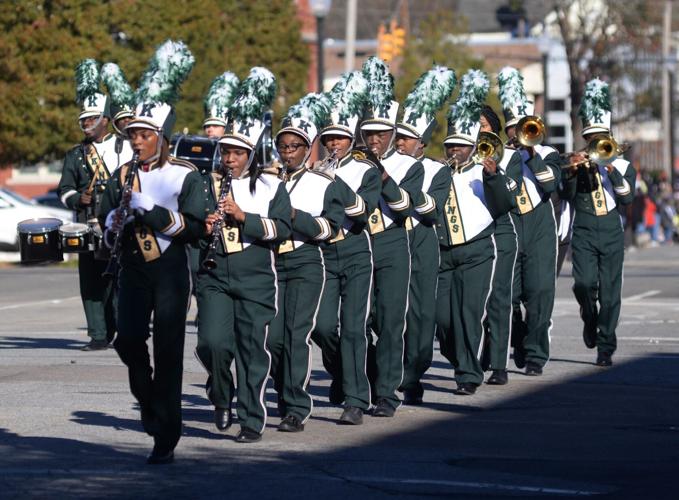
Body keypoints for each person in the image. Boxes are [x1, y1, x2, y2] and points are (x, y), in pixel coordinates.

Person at [99, 40, 203, 464]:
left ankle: (167, 434)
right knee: (127, 340)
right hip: (133, 266)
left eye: (145, 135)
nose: (137, 141)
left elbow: (194, 228)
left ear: (161, 137)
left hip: (171, 268)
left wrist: (153, 212)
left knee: (167, 349)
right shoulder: (121, 175)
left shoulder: (184, 175)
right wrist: (110, 224)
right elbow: (106, 222)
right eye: (133, 135)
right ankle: (147, 398)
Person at [194, 67, 292, 444]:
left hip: (255, 275)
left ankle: (252, 420)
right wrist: (200, 226)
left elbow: (281, 229)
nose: (230, 159)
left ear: (250, 154)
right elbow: (185, 223)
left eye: (238, 153)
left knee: (253, 350)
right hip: (215, 274)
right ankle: (221, 396)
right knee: (211, 343)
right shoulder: (204, 184)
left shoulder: (270, 185)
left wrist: (243, 218)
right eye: (226, 152)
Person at [266, 93, 344, 433]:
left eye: (295, 147)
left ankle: (297, 406)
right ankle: (284, 394)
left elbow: (330, 228)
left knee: (296, 335)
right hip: (270, 263)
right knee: (272, 340)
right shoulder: (266, 180)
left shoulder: (322, 182)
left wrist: (295, 216)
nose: (287, 153)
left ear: (308, 147)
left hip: (305, 261)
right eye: (282, 146)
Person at [437, 69, 513, 396]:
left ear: (471, 147)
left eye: (460, 146)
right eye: (450, 145)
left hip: (478, 250)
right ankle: (461, 358)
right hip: (443, 253)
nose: (455, 151)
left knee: (469, 314)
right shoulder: (435, 172)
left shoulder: (487, 171)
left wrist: (494, 177)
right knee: (442, 320)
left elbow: (503, 204)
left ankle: (468, 373)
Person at [311, 71, 381, 425]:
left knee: (354, 327)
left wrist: (335, 182)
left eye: (339, 138)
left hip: (355, 251)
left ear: (350, 138)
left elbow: (363, 211)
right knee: (322, 326)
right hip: (325, 254)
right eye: (329, 138)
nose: (334, 143)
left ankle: (356, 397)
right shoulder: (316, 169)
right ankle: (345, 373)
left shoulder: (365, 170)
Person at [360, 57, 424, 417]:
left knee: (388, 320)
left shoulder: (408, 164)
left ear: (392, 135)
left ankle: (387, 391)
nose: (374, 140)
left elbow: (403, 206)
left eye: (381, 134)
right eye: (368, 134)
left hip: (391, 243)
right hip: (358, 243)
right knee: (354, 322)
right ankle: (361, 378)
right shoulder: (352, 160)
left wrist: (380, 174)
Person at [58, 59, 132, 351]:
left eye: (92, 119)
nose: (86, 124)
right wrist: (79, 198)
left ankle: (121, 328)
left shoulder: (125, 146)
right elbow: (63, 189)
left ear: (105, 119)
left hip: (119, 222)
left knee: (120, 278)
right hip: (88, 222)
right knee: (90, 280)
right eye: (83, 120)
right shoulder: (75, 155)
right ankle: (98, 334)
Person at [561, 78, 635, 367]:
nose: (595, 144)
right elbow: (565, 195)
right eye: (590, 139)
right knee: (583, 285)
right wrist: (572, 169)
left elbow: (627, 199)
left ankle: (606, 346)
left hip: (611, 231)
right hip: (584, 230)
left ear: (609, 138)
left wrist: (611, 169)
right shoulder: (578, 164)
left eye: (600, 138)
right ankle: (588, 318)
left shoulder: (625, 166)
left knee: (611, 293)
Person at [394, 66, 455, 404]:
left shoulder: (437, 170)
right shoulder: (384, 165)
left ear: (422, 142)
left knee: (419, 314)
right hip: (388, 242)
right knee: (381, 313)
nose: (400, 142)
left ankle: (413, 372)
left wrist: (404, 187)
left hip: (421, 241)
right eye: (398, 136)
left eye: (406, 138)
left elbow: (432, 209)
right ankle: (386, 367)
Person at [498, 67, 561, 377]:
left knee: (539, 294)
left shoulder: (548, 153)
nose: (517, 134)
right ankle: (519, 336)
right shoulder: (498, 157)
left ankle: (536, 353)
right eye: (513, 129)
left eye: (523, 128)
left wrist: (531, 154)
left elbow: (550, 186)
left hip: (538, 229)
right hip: (510, 227)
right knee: (506, 296)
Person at [478, 104, 522, 386]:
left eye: (481, 124)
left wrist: (494, 171)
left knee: (498, 300)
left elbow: (510, 196)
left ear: (492, 127)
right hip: (471, 237)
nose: (477, 129)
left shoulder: (512, 158)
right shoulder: (459, 156)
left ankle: (498, 364)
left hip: (501, 233)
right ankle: (476, 353)